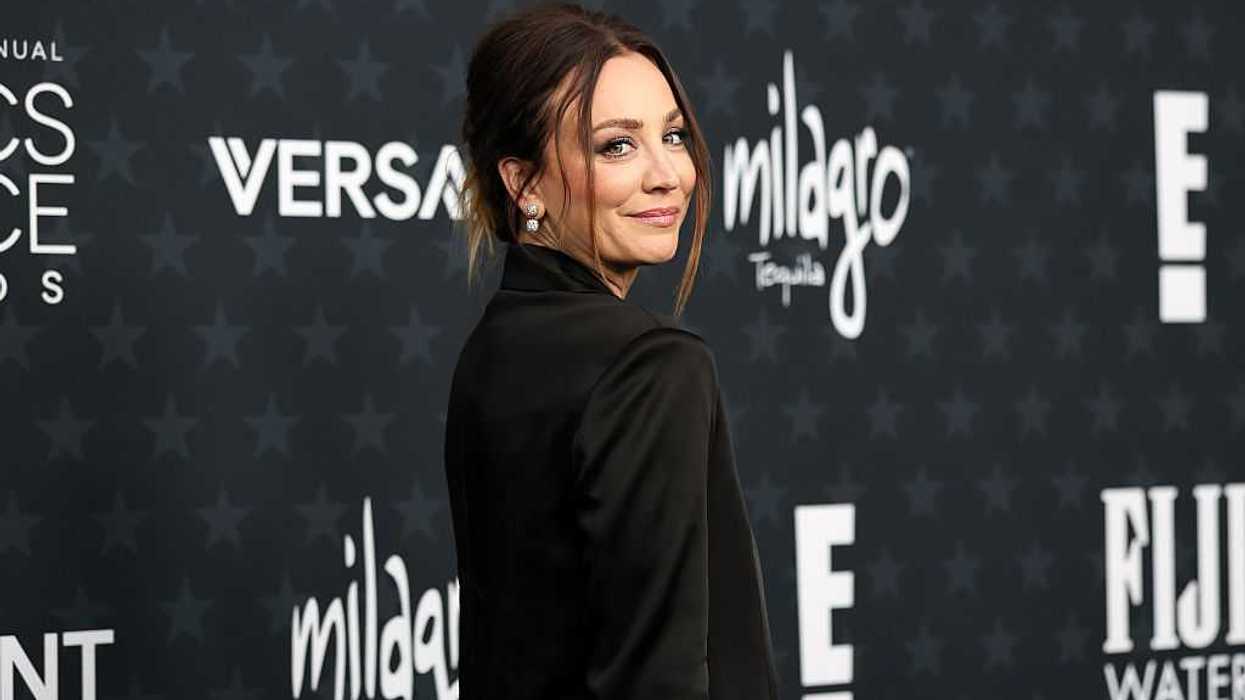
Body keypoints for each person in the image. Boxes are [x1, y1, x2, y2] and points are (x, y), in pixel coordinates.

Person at [444, 3, 780, 697]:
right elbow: (656, 678)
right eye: (615, 146)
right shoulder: (650, 365)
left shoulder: (492, 348)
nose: (668, 175)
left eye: (674, 136)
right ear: (524, 182)